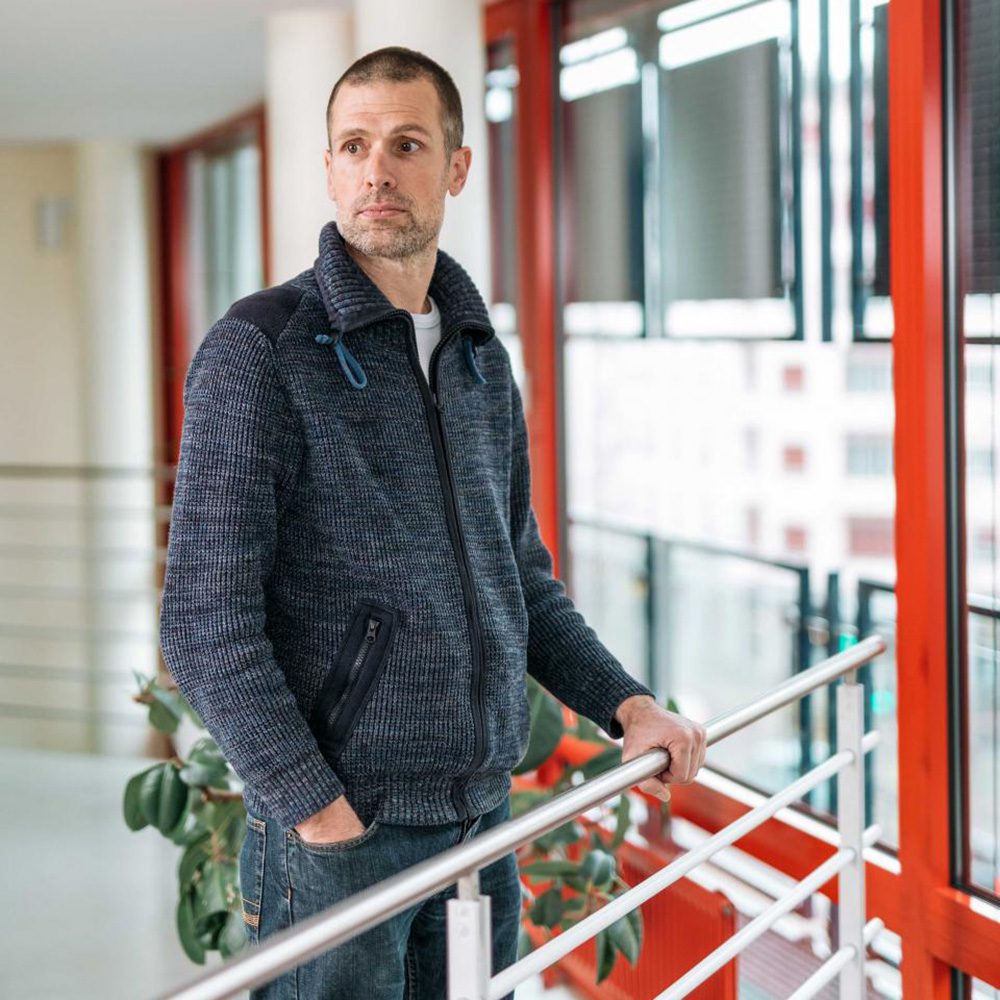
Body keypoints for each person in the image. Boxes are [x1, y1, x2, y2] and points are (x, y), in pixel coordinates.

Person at [158, 45, 707, 1000]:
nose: (377, 169)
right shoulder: (259, 353)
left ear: (455, 166)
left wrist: (629, 704)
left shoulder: (480, 359)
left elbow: (520, 580)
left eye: (407, 144)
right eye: (354, 145)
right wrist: (317, 809)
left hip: (478, 825)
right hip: (340, 840)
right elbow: (205, 627)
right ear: (328, 167)